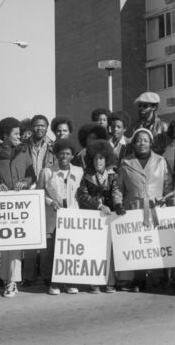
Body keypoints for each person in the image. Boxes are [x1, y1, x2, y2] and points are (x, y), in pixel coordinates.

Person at [117, 128, 175, 292]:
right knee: (138, 246)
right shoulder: (125, 162)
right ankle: (139, 280)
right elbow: (118, 187)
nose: (141, 143)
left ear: (151, 143)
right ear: (133, 143)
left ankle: (159, 279)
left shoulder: (161, 161)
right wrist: (118, 203)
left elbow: (169, 186)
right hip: (134, 209)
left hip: (156, 208)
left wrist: (168, 201)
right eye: (138, 140)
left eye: (145, 140)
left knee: (156, 245)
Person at [0, 117, 36, 297]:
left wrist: (24, 181)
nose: (19, 136)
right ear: (6, 135)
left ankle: (12, 281)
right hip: (2, 205)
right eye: (15, 133)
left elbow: (32, 175)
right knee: (6, 243)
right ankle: (7, 279)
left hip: (19, 204)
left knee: (15, 244)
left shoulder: (24, 151)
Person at [36, 138, 83, 296]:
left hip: (72, 215)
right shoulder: (47, 172)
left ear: (72, 155)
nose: (64, 156)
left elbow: (81, 193)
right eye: (61, 153)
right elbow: (38, 193)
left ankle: (70, 282)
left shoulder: (78, 171)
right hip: (54, 217)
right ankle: (54, 283)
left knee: (70, 249)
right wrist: (50, 202)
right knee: (55, 250)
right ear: (56, 155)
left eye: (67, 154)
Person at [77, 140, 124, 294]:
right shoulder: (86, 176)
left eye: (101, 158)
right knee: (94, 250)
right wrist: (98, 205)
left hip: (109, 217)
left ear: (107, 160)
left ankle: (110, 282)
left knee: (109, 249)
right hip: (92, 218)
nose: (98, 161)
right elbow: (82, 196)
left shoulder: (113, 176)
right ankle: (94, 282)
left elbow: (116, 192)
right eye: (96, 158)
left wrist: (117, 205)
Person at [23, 114, 55, 284]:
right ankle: (28, 276)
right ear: (31, 128)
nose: (39, 128)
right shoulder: (23, 146)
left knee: (46, 236)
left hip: (46, 195)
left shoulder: (53, 147)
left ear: (47, 127)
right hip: (28, 193)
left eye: (43, 125)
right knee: (29, 236)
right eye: (36, 126)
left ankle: (46, 275)